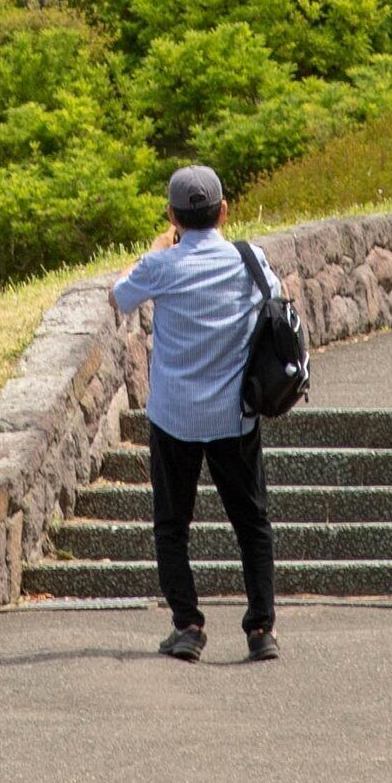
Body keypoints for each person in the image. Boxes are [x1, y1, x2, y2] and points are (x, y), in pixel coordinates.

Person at [109, 164, 281, 663]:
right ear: (224, 211)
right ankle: (260, 629)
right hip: (234, 417)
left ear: (173, 215)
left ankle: (187, 626)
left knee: (172, 525)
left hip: (175, 418)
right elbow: (272, 299)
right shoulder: (249, 260)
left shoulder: (162, 266)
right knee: (251, 523)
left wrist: (162, 245)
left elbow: (121, 295)